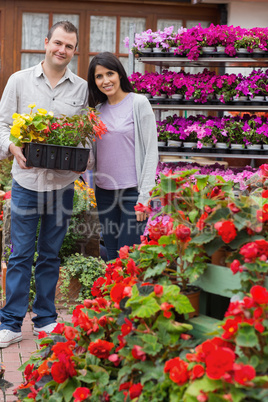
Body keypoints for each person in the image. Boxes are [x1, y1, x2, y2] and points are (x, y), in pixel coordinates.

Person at [0, 21, 89, 347]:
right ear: (46, 42)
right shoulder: (19, 81)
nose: (62, 50)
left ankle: (46, 320)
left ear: (74, 51)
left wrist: (84, 162)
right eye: (58, 43)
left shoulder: (80, 88)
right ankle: (9, 323)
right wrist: (11, 147)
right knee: (21, 254)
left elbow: (83, 136)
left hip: (62, 185)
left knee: (50, 255)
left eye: (69, 46)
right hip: (26, 182)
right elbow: (3, 124)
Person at [87, 52, 158, 261]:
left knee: (128, 256)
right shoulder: (97, 111)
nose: (105, 80)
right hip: (104, 193)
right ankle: (111, 295)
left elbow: (151, 151)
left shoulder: (138, 103)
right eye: (99, 77)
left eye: (110, 73)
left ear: (120, 74)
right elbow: (92, 159)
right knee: (110, 254)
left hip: (132, 194)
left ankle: (130, 295)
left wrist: (144, 197)